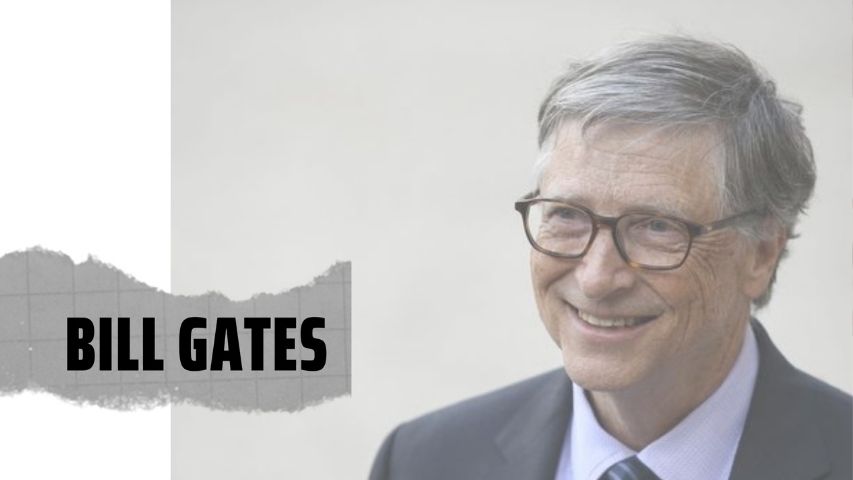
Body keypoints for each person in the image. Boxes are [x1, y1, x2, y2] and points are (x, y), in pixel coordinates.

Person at [369, 35, 852, 480]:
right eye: (567, 215)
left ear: (761, 253)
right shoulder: (422, 462)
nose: (597, 278)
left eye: (656, 226)